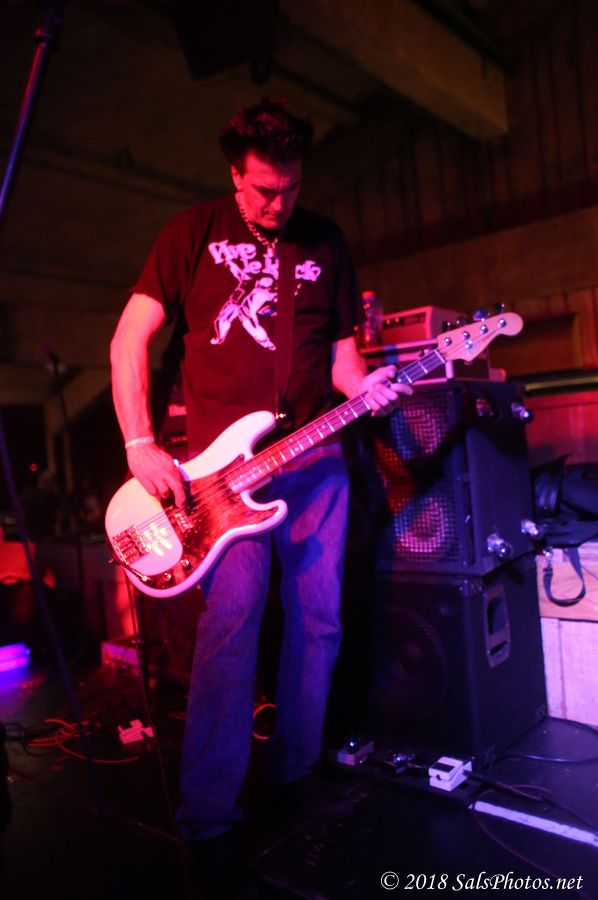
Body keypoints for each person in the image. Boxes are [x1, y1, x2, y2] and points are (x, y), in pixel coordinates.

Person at [109, 98, 409, 894]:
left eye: (291, 187)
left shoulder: (326, 240)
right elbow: (129, 337)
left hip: (315, 460)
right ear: (235, 174)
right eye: (265, 190)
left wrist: (368, 388)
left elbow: (343, 362)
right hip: (224, 476)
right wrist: (140, 445)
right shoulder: (191, 234)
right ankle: (209, 818)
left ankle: (296, 775)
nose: (279, 203)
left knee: (319, 621)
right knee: (232, 627)